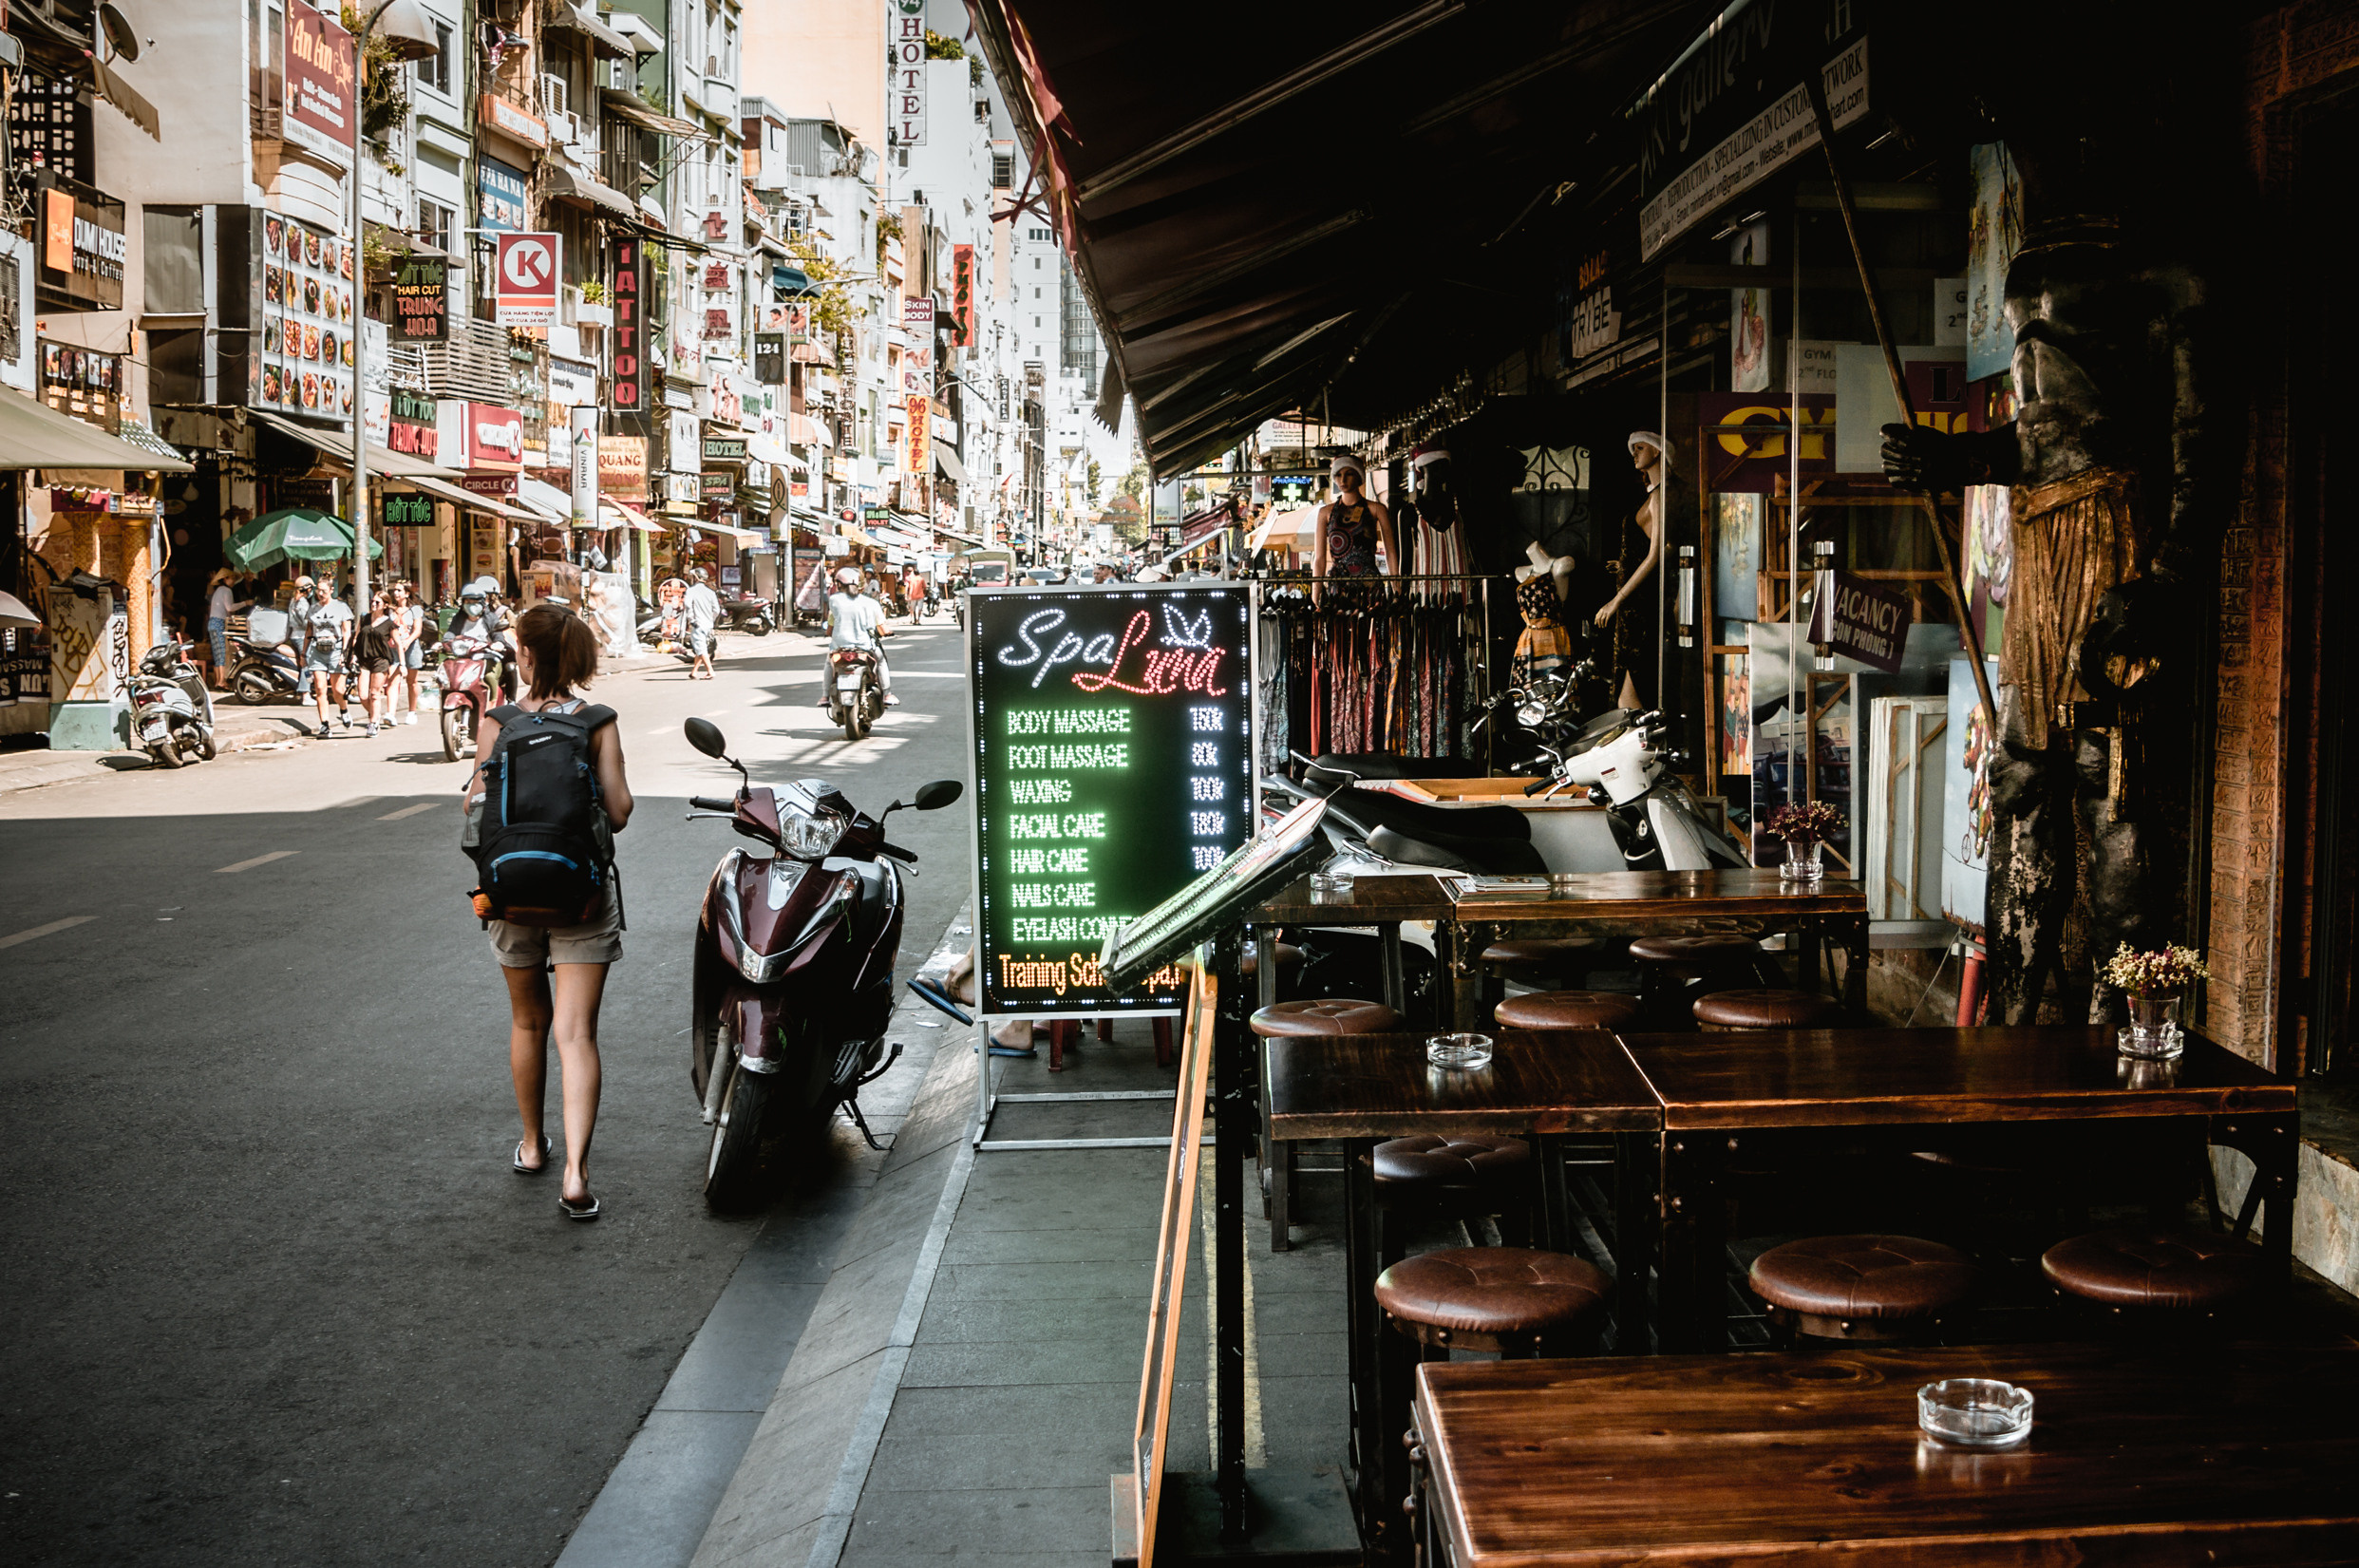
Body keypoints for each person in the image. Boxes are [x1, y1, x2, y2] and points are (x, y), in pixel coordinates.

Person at [463, 602, 633, 1221]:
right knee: (576, 1032)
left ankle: (534, 1146)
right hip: (581, 894)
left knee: (528, 1023)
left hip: (508, 895)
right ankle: (575, 1175)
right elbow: (618, 810)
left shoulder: (499, 720)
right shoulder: (597, 720)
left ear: (525, 655)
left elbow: (473, 806)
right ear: (582, 657)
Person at [1312, 454, 1396, 604]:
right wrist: (1315, 595)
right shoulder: (1325, 513)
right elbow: (1319, 558)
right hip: (1338, 585)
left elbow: (1391, 553)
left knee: (1374, 626)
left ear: (1359, 476)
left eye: (1349, 474)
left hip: (1369, 582)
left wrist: (1397, 589)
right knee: (1338, 627)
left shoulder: (1377, 509)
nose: (1342, 480)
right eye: (1338, 475)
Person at [822, 565, 896, 707]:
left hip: (839, 648)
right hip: (865, 647)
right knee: (881, 661)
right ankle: (887, 694)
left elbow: (829, 630)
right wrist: (887, 632)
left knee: (828, 663)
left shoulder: (836, 603)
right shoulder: (871, 603)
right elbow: (883, 629)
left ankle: (825, 697)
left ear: (838, 585)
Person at [301, 581, 355, 733]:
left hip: (336, 650)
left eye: (324, 590)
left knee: (338, 690)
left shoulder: (341, 607)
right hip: (317, 650)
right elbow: (309, 631)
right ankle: (324, 724)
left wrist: (345, 653)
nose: (320, 593)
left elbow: (346, 632)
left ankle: (343, 709)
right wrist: (304, 653)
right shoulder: (313, 609)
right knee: (319, 688)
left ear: (332, 590)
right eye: (318, 590)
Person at [452, 578, 518, 702]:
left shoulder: (503, 612)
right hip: (469, 654)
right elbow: (452, 634)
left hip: (495, 652)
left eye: (486, 595)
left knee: (510, 668)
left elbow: (510, 631)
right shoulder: (462, 615)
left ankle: (510, 701)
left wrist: (498, 642)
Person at [354, 591, 398, 736]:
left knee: (374, 693)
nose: (373, 604)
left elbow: (398, 643)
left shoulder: (389, 623)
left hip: (381, 660)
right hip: (364, 659)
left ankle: (373, 723)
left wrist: (402, 665)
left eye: (377, 602)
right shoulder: (365, 618)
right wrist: (352, 656)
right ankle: (376, 714)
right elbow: (356, 637)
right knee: (362, 695)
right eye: (372, 601)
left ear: (385, 605)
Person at [203, 569, 251, 691]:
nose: (233, 581)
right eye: (232, 578)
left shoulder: (218, 590)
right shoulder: (226, 590)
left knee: (217, 653)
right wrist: (246, 603)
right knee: (223, 652)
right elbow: (230, 608)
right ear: (225, 579)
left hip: (212, 623)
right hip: (219, 623)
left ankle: (218, 681)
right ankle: (222, 681)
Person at [388, 580, 425, 725]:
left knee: (412, 681)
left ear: (407, 593)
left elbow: (418, 629)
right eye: (395, 590)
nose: (396, 593)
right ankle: (391, 713)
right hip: (394, 649)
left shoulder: (414, 609)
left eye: (399, 590)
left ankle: (411, 711)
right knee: (393, 679)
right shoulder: (391, 610)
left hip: (411, 648)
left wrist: (408, 641)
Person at [683, 568, 720, 681]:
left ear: (696, 578)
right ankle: (694, 671)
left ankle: (710, 671)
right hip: (708, 624)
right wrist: (710, 620)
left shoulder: (691, 591)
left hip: (697, 624)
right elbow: (716, 610)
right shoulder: (711, 592)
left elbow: (687, 605)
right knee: (701, 647)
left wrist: (691, 619)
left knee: (701, 648)